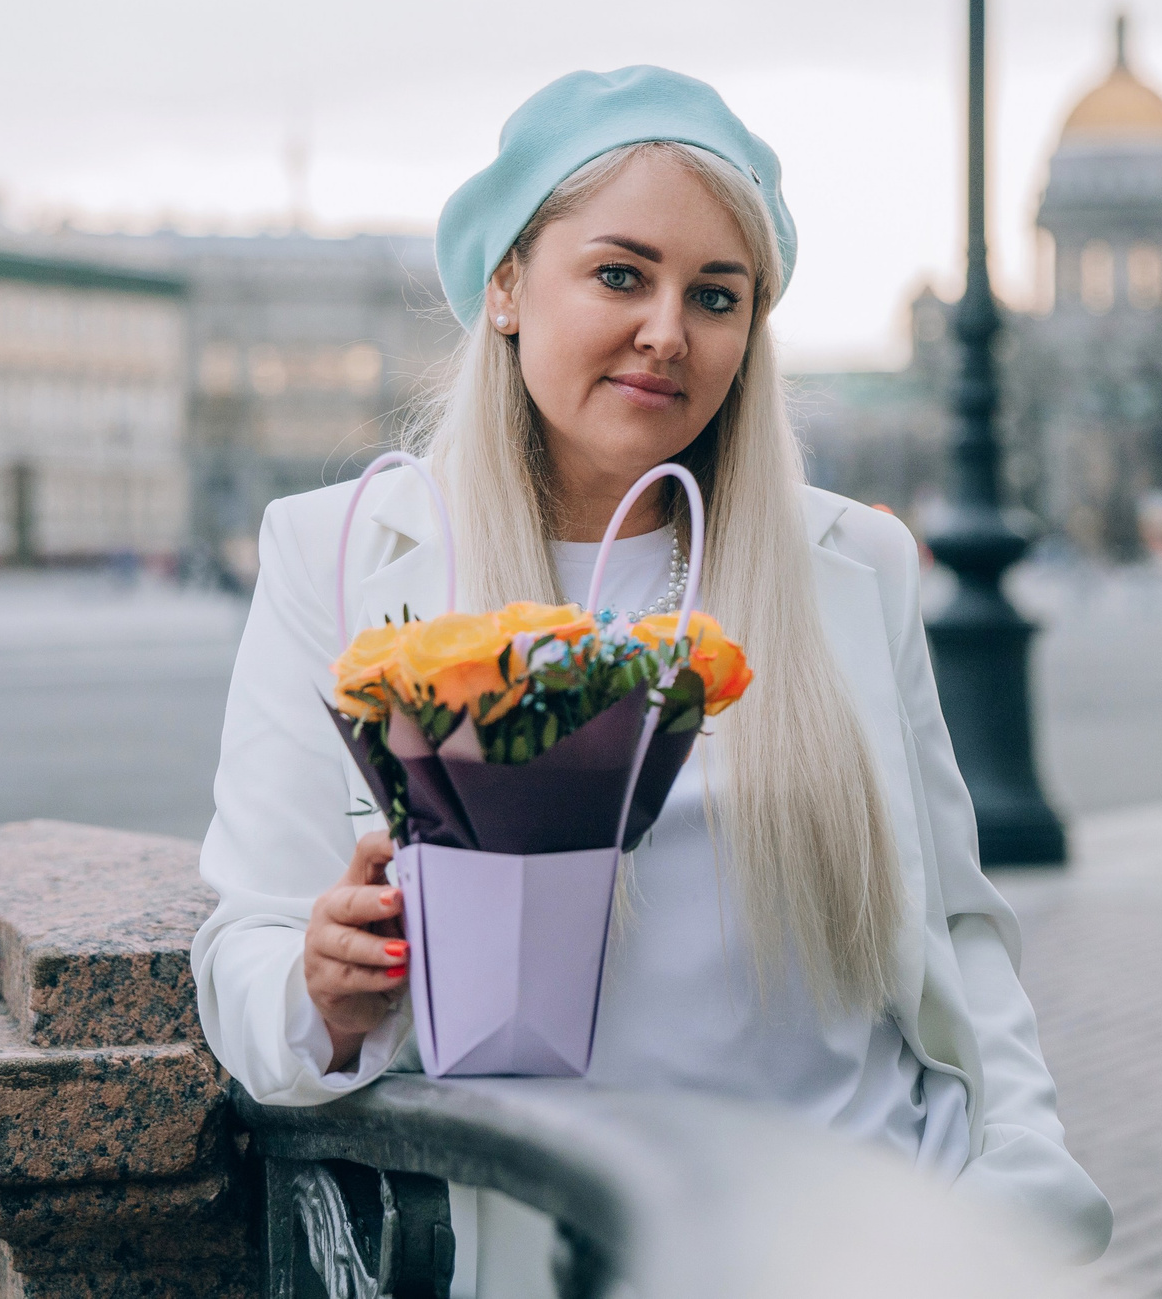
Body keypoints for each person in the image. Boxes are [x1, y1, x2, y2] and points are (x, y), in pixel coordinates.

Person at [191, 66, 1111, 1281]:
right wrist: (327, 984)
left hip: (866, 1229)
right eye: (620, 274)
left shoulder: (850, 564)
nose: (668, 331)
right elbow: (244, 951)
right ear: (508, 283)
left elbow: (952, 925)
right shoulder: (343, 554)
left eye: (716, 296)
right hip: (553, 1247)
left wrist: (1022, 1184)